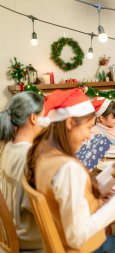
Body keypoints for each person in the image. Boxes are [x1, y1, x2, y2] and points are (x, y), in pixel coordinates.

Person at [26, 88, 115, 253]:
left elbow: (82, 193)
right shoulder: (69, 169)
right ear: (70, 122)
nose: (88, 136)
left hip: (76, 245)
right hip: (84, 248)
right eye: (88, 127)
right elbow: (77, 236)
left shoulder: (43, 155)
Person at [0, 91, 44, 251]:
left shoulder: (8, 147)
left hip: (12, 230)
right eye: (43, 116)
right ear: (33, 118)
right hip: (30, 239)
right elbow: (37, 207)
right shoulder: (30, 156)